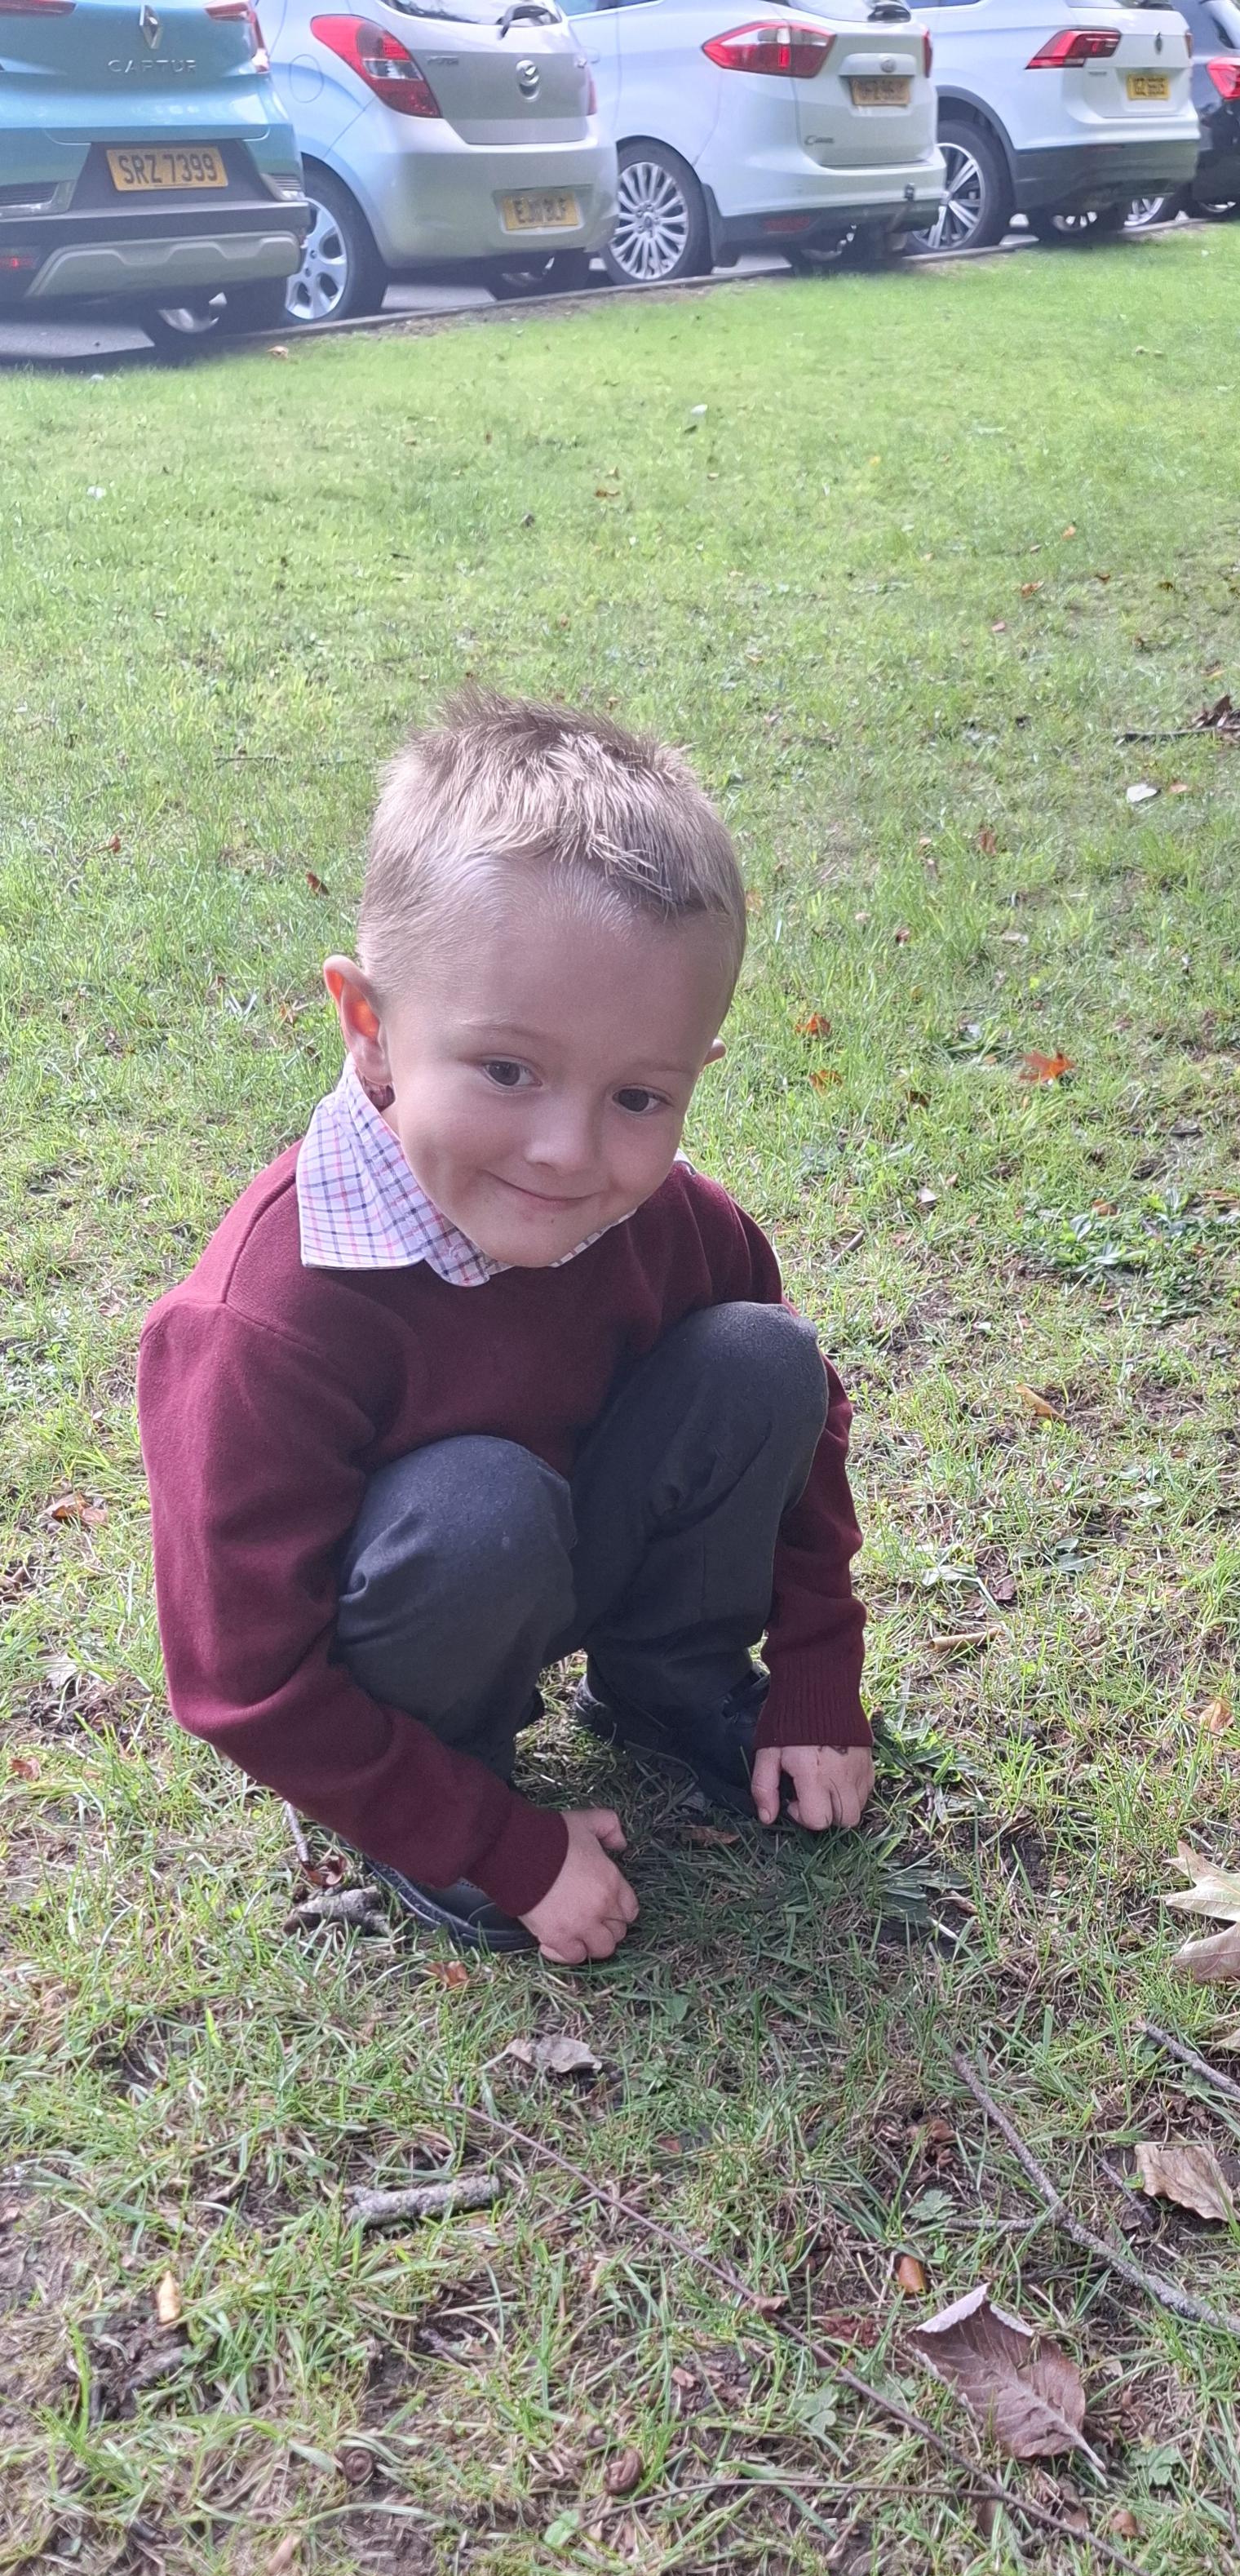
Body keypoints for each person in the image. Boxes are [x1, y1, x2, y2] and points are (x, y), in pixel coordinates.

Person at [137, 692, 873, 1967]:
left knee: (763, 1358)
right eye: (507, 1070)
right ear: (371, 1027)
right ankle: (450, 1778)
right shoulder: (265, 1323)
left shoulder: (682, 1225)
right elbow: (241, 1681)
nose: (567, 1152)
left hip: (585, 1544)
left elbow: (801, 1442)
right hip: (420, 1632)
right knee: (478, 1504)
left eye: (638, 1095)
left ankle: (667, 1676)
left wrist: (817, 1666)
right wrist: (494, 1842)